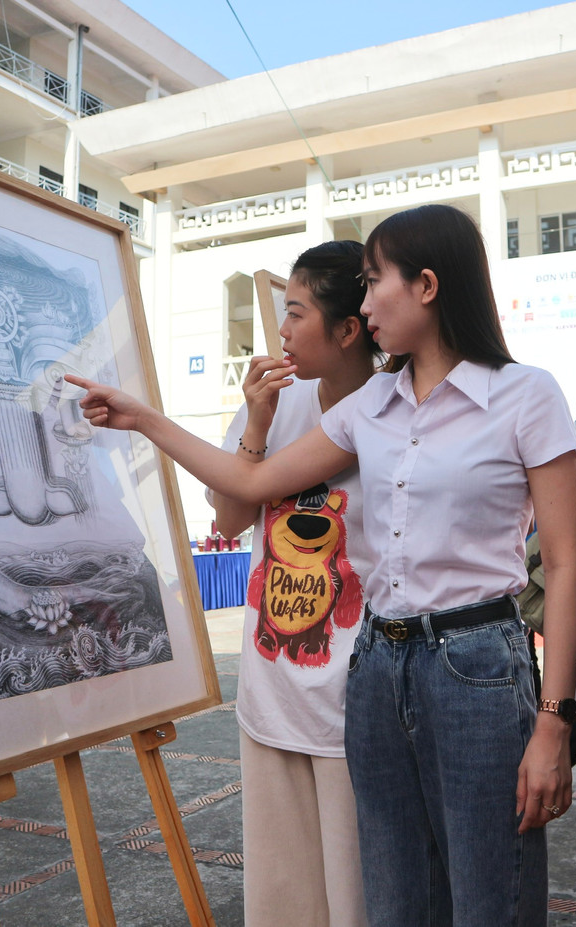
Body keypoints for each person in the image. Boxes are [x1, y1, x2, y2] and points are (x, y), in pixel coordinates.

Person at [67, 203, 576, 927]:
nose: (366, 303)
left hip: (476, 661)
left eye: (376, 284)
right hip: (377, 663)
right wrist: (144, 418)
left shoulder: (525, 394)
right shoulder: (374, 402)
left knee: (488, 888)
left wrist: (556, 720)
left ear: (428, 286)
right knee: (394, 894)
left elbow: (563, 563)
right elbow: (248, 488)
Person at [208, 240, 377, 927]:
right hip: (273, 687)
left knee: (358, 892)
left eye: (297, 314)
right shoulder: (276, 402)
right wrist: (255, 421)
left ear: (348, 329)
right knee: (283, 895)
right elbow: (228, 515)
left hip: (358, 694)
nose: (280, 331)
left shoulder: (396, 409)